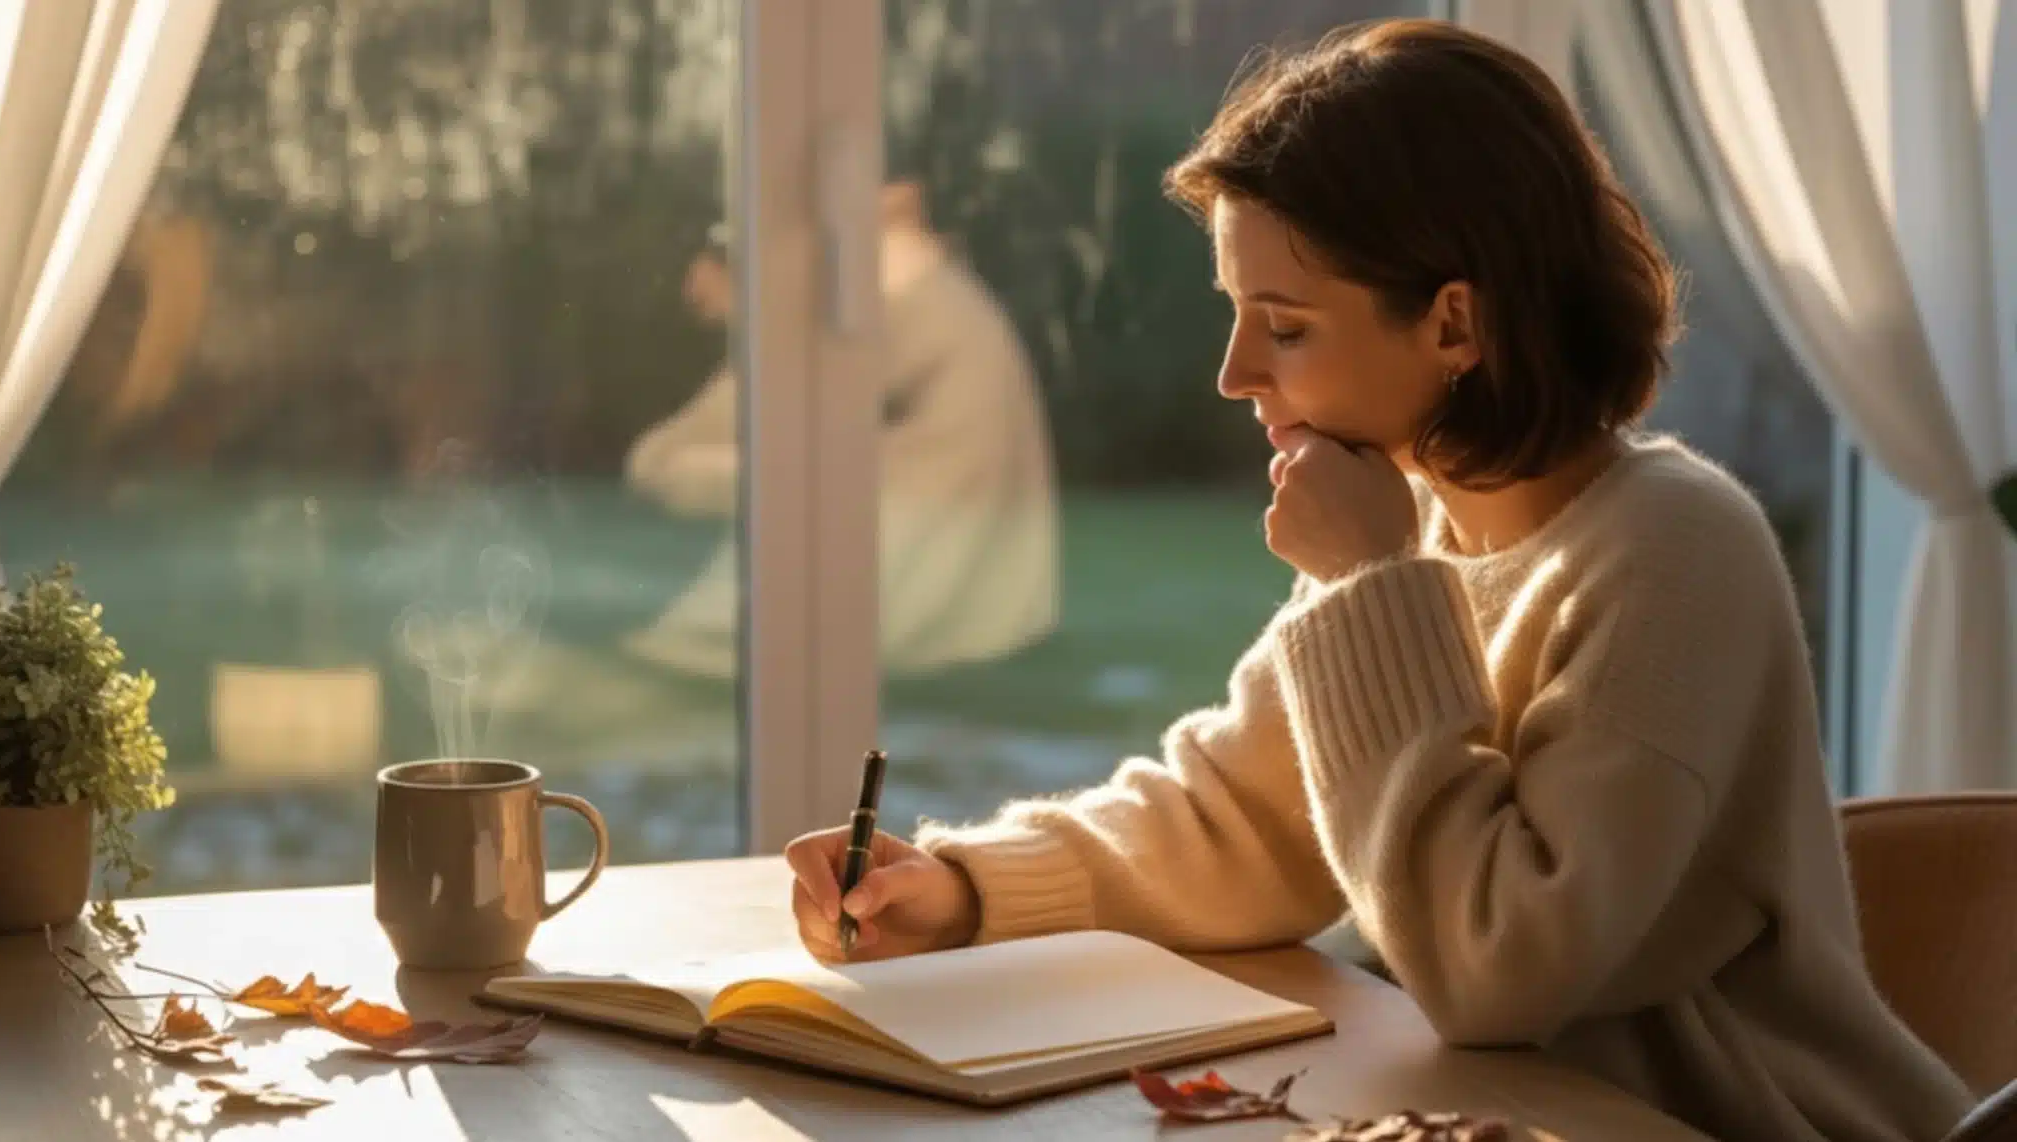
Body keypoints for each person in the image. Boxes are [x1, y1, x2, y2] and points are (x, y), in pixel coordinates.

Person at [782, 19, 1976, 1142]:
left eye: (1283, 326)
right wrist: (960, 887)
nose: (1233, 372)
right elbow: (1239, 816)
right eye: (1236, 316)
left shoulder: (1670, 550)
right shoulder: (1430, 532)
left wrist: (1366, 583)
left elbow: (1495, 968)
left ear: (1454, 326)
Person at [622, 182, 1060, 678]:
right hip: (965, 600)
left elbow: (666, 461)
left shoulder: (891, 299)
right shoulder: (923, 295)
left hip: (908, 566)